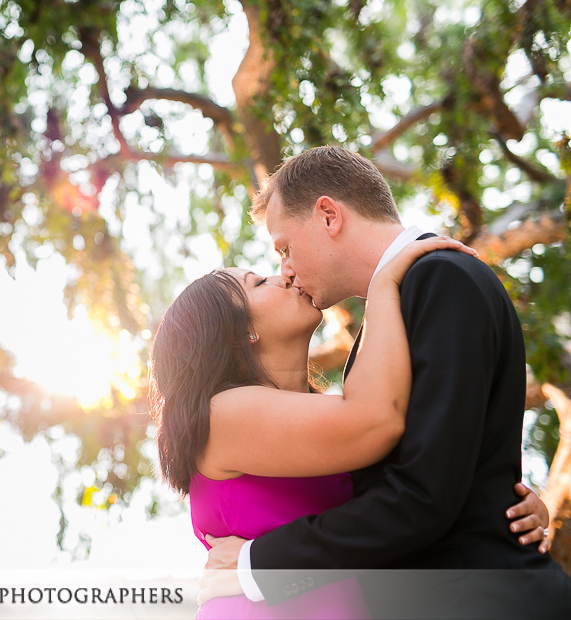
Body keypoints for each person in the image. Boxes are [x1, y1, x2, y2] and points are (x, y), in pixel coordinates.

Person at [194, 146, 571, 618]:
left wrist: (254, 565)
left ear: (329, 216)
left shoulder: (440, 279)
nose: (285, 270)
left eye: (285, 247)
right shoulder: (389, 319)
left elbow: (424, 493)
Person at [150, 235, 551, 618]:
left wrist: (508, 505)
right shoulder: (223, 415)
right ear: (241, 333)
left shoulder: (331, 418)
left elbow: (413, 486)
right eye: (258, 282)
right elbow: (378, 420)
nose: (284, 274)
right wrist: (385, 284)